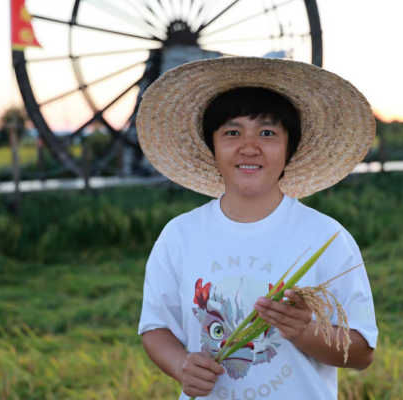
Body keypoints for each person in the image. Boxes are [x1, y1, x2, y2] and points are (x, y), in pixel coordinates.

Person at [136, 56, 378, 399]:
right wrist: (181, 365)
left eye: (267, 133)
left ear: (290, 148)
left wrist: (304, 331)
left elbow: (362, 353)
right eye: (232, 133)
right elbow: (156, 327)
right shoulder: (179, 235)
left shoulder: (326, 237)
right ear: (212, 146)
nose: (249, 148)